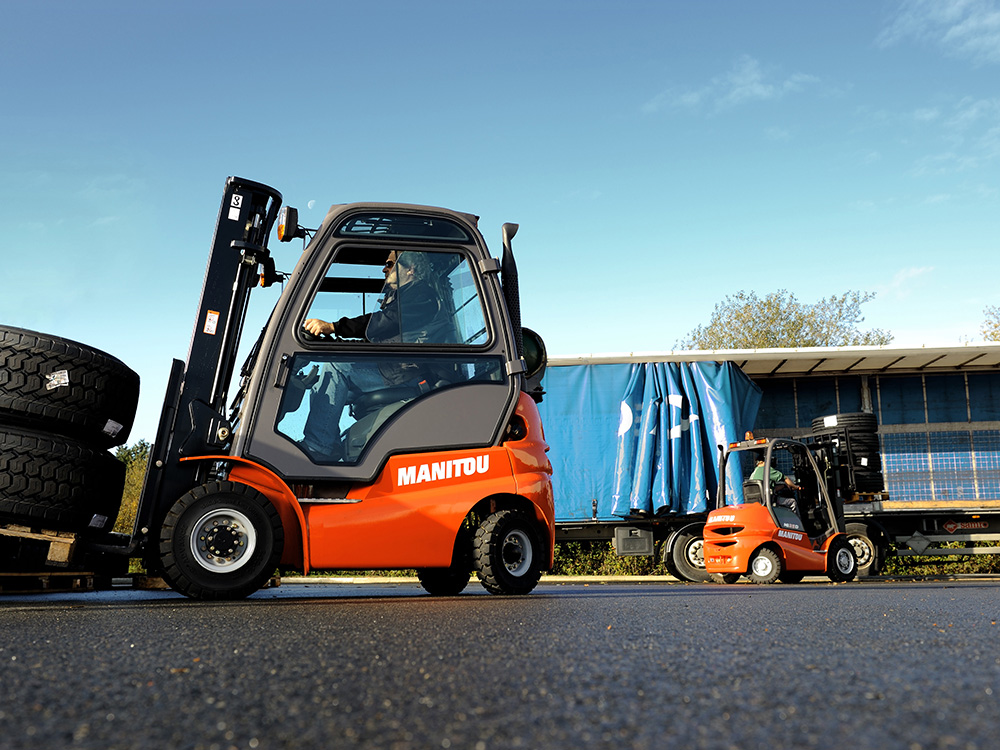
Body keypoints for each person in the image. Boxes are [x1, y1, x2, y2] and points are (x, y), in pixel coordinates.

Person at [295, 251, 448, 461]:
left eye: (390, 264)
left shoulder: (421, 295)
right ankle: (328, 443)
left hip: (405, 373)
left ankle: (319, 448)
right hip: (390, 368)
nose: (384, 269)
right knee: (322, 382)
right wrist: (333, 345)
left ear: (410, 269)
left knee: (335, 369)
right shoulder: (399, 299)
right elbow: (373, 342)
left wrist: (334, 327)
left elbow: (381, 322)